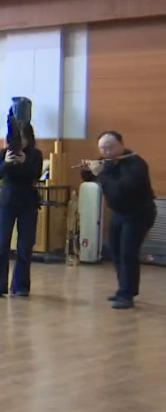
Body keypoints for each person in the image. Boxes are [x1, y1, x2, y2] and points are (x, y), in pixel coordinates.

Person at [81, 131, 156, 310]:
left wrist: (101, 174)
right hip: (119, 212)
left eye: (110, 148)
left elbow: (121, 188)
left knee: (128, 253)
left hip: (139, 213)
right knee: (114, 250)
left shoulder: (136, 164)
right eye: (102, 148)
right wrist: (87, 169)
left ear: (121, 145)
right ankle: (125, 288)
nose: (106, 152)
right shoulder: (106, 162)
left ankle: (126, 295)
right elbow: (89, 177)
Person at [0, 124, 43, 298]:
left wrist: (24, 163)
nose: (20, 142)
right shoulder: (4, 153)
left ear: (29, 138)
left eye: (23, 138)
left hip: (28, 202)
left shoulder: (35, 154)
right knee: (1, 244)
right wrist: (7, 162)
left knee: (25, 245)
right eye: (17, 138)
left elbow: (35, 175)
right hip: (7, 201)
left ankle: (20, 286)